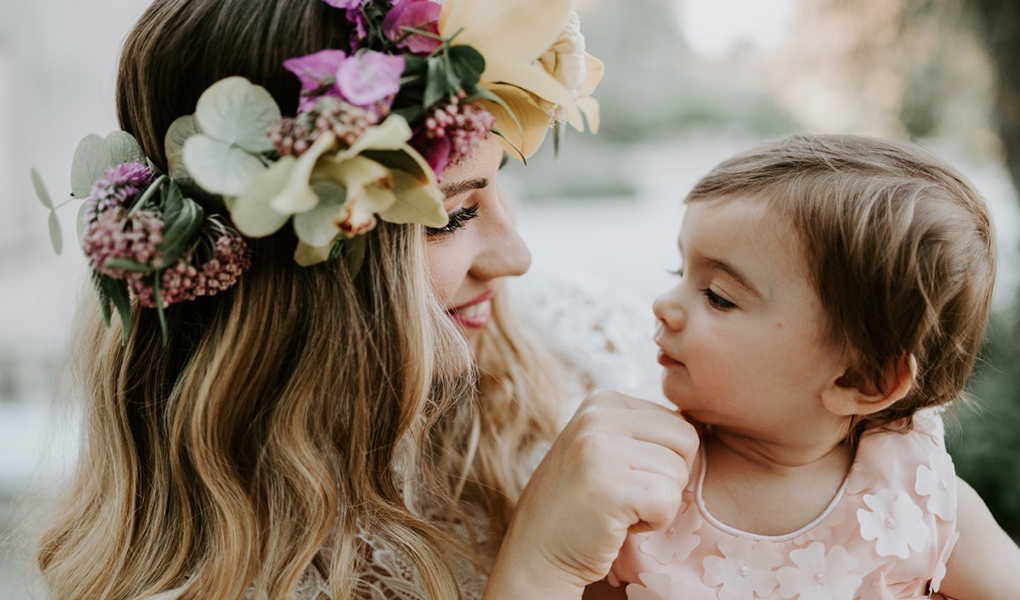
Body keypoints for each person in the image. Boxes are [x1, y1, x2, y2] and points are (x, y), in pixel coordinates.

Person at [31, 1, 698, 599]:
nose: (515, 258)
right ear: (307, 272)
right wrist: (536, 574)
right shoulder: (196, 579)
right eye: (450, 218)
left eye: (499, 186)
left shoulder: (584, 350)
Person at [594, 134, 1020, 599]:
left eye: (718, 297)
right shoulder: (638, 467)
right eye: (680, 274)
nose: (663, 305)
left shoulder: (922, 504)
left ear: (859, 379)